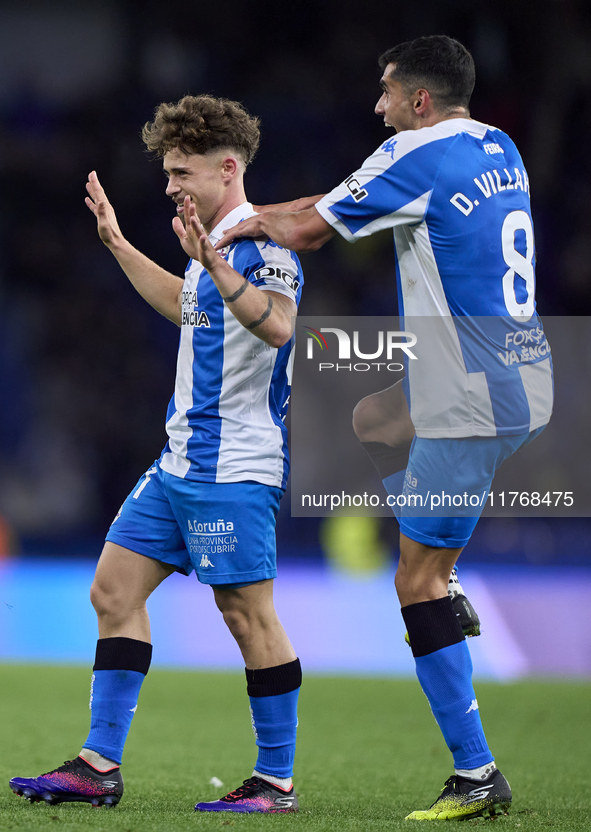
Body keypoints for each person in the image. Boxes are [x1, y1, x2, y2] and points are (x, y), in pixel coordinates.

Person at [215, 35, 552, 821]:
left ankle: (475, 772)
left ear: (420, 103)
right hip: (523, 372)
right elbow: (326, 208)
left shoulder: (413, 156)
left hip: (470, 396)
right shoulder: (496, 145)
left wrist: (232, 225)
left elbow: (306, 230)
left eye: (387, 92)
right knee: (374, 415)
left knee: (413, 582)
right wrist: (268, 213)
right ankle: (449, 574)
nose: (378, 106)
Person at [9, 95, 304, 814]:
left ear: (226, 167)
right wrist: (117, 243)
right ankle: (97, 765)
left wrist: (216, 264)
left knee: (247, 615)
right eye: (167, 171)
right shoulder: (211, 246)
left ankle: (275, 781)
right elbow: (187, 304)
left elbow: (279, 327)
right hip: (178, 463)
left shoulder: (263, 247)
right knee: (112, 591)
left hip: (232, 468)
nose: (170, 184)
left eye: (182, 170)